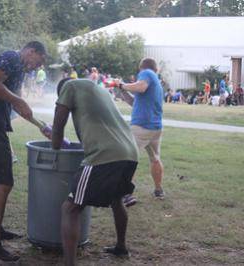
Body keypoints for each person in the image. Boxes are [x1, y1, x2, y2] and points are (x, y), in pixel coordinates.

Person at [0, 41, 47, 261]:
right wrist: (17, 98)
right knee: (4, 182)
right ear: (31, 51)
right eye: (38, 62)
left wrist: (41, 125)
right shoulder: (11, 57)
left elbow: (18, 106)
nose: (36, 67)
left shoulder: (18, 69)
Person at [52, 78, 138, 266]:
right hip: (130, 152)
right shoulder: (98, 90)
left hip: (105, 155)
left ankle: (69, 264)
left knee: (70, 208)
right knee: (117, 199)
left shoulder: (69, 86)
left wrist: (55, 146)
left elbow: (58, 124)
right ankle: (121, 247)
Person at [116, 58, 165, 206]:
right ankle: (158, 190)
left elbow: (141, 87)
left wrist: (121, 84)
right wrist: (121, 91)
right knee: (155, 158)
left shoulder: (147, 73)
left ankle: (126, 194)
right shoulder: (156, 83)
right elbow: (134, 102)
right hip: (155, 127)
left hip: (142, 126)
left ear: (142, 68)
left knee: (128, 158)